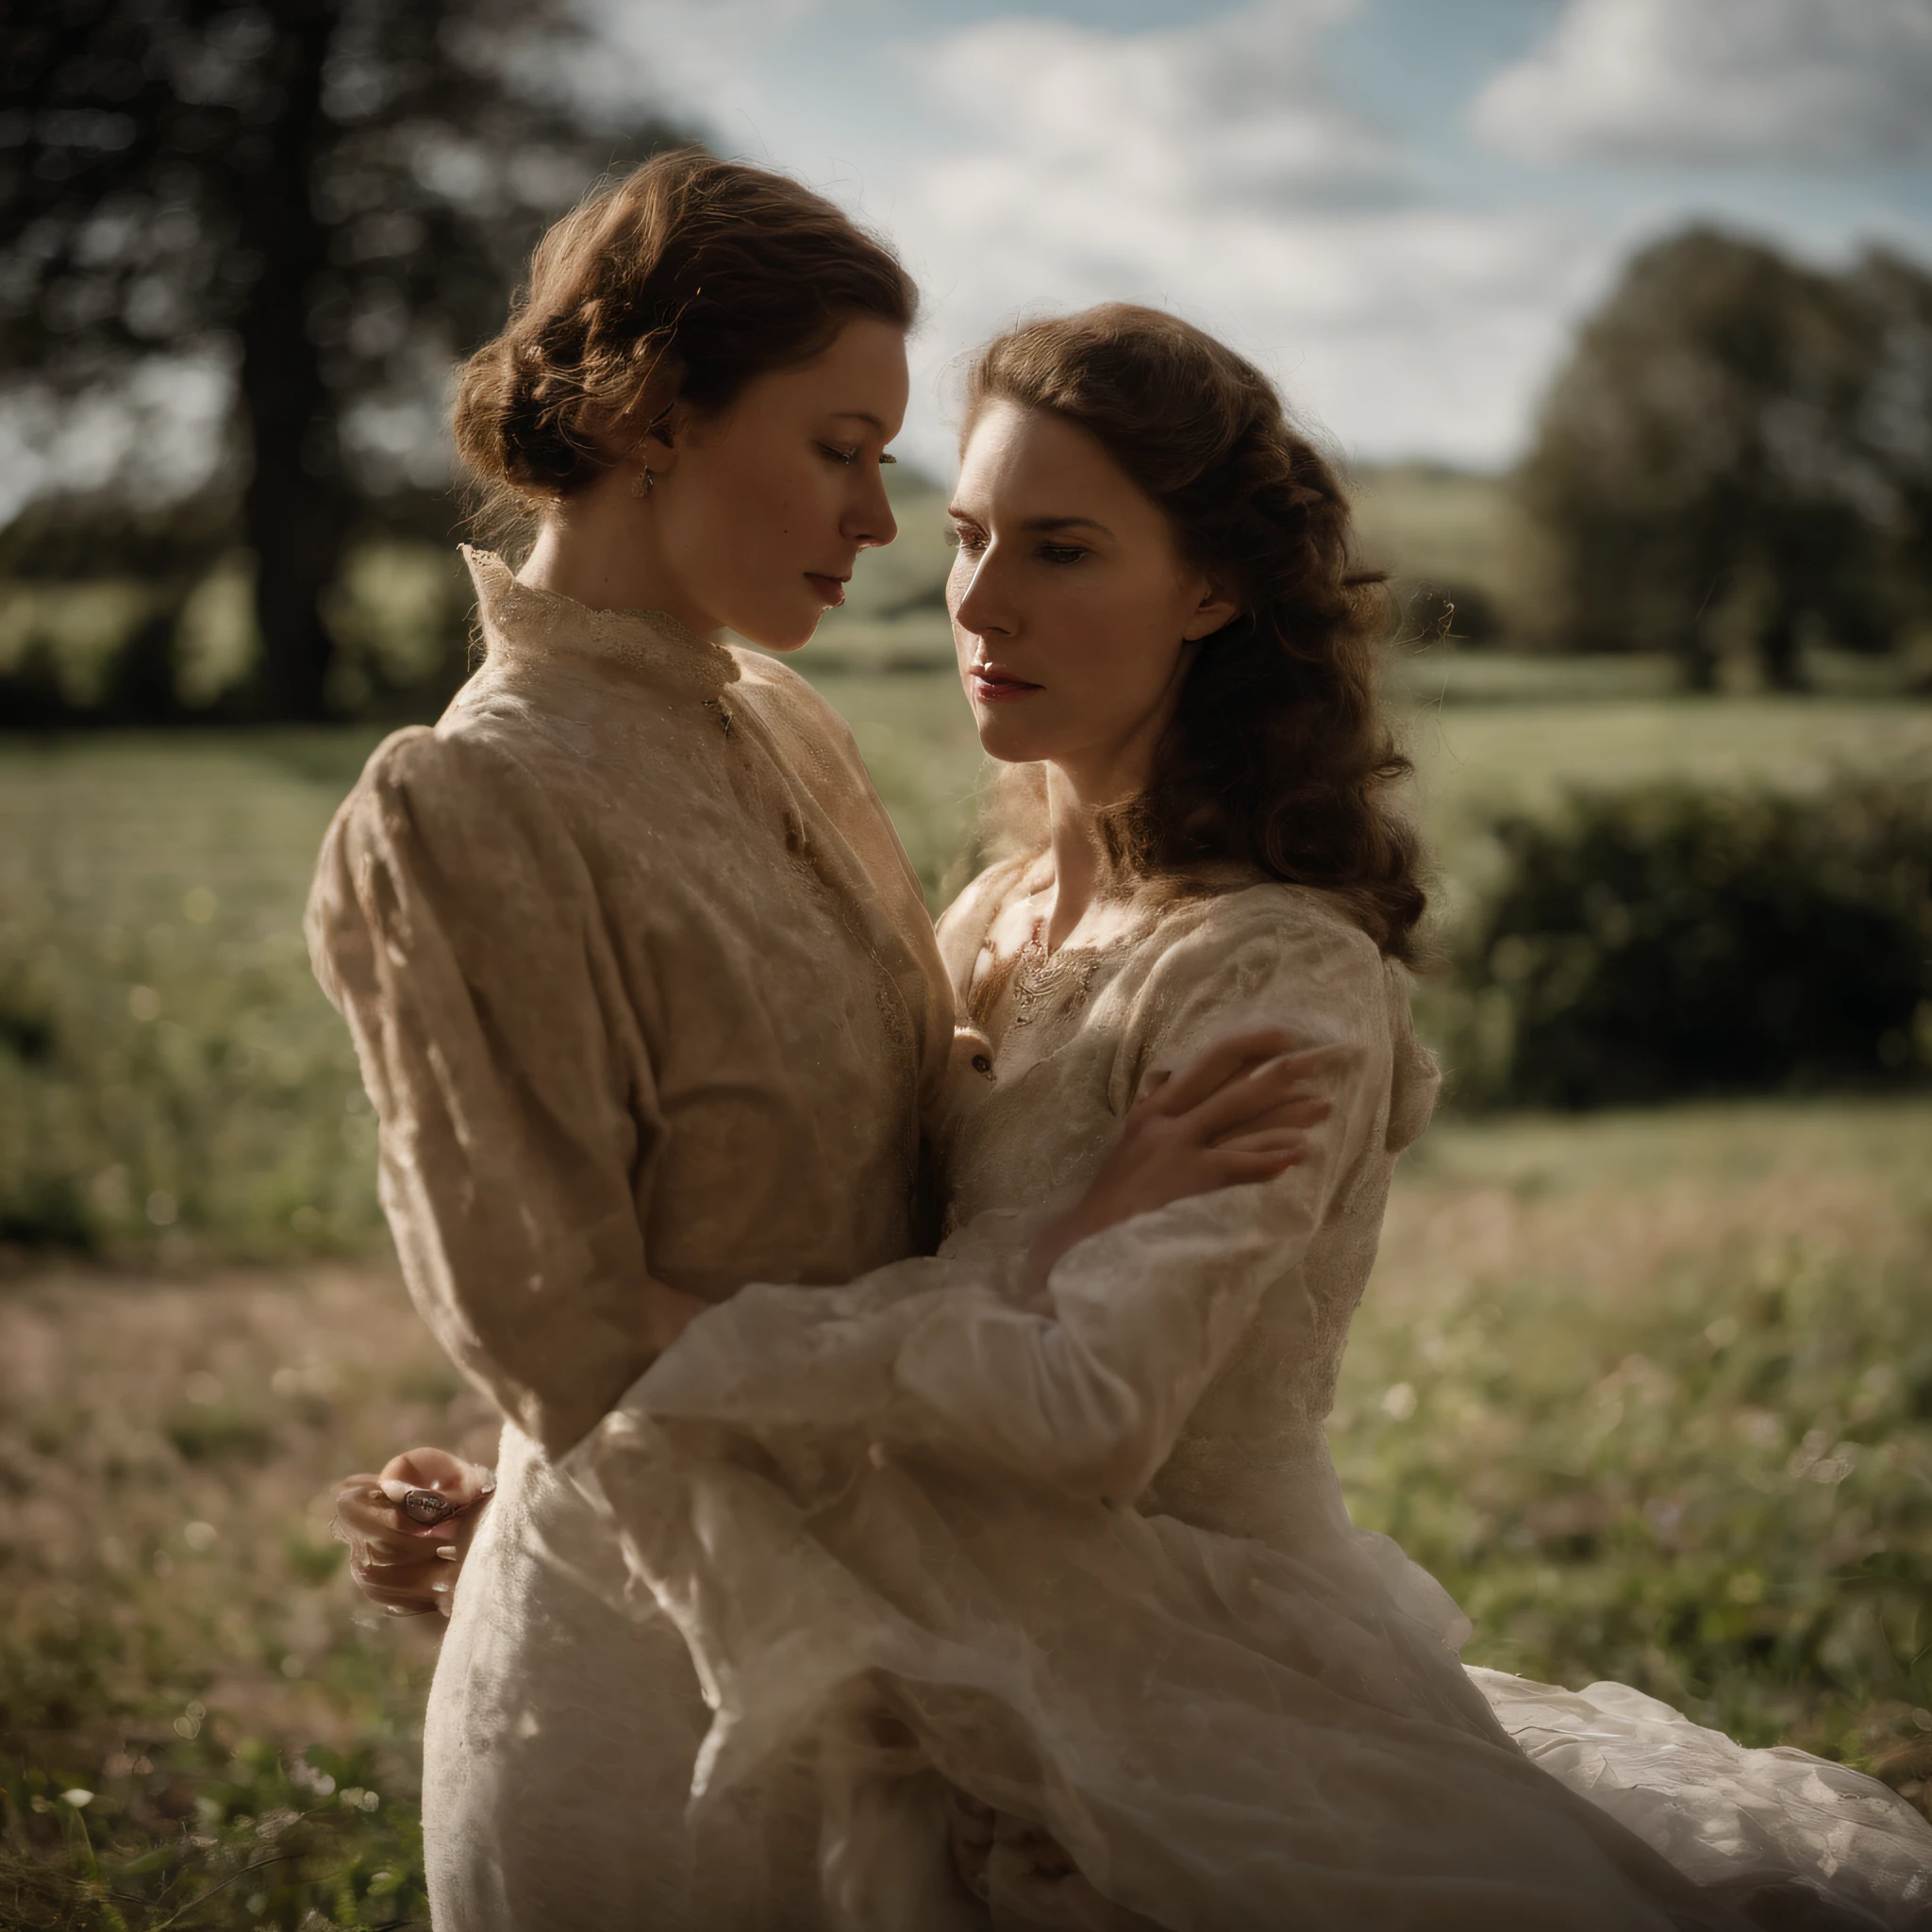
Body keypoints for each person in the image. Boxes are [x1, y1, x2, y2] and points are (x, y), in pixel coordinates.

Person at [344, 301, 1932, 1930]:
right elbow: (853, 1249)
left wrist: (668, 1368)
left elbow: (1090, 1411)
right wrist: (595, 1489)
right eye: (967, 537)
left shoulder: (1275, 977)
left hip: (1198, 1690)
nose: (979, 600)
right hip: (963, 1657)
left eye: (1063, 549)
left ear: (1215, 590)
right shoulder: (994, 915)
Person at [308, 158, 1324, 1930]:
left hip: (916, 1629)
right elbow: (573, 1338)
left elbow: (823, 1184)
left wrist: (1072, 1222)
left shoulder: (778, 726)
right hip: (661, 1682)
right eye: (841, 447)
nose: (881, 517)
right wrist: (1038, 1279)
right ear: (651, 416)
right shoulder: (462, 804)